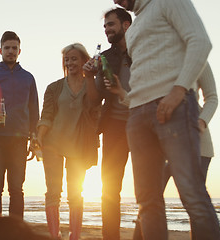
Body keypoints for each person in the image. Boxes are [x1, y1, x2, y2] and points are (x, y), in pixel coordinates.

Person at [112, 0, 220, 239]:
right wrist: (124, 95)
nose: (115, 1)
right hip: (138, 115)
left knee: (191, 192)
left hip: (175, 109)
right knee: (147, 201)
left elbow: (201, 41)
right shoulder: (136, 26)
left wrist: (179, 90)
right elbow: (147, 75)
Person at [130, 63, 219, 240]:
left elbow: (212, 98)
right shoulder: (158, 55)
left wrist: (199, 123)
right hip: (160, 140)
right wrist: (121, 94)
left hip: (197, 143)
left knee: (194, 202)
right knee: (149, 199)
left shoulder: (196, 56)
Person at [37, 43, 100, 240]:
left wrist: (90, 78)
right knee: (53, 191)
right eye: (67, 59)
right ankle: (55, 235)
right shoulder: (54, 87)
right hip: (53, 144)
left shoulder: (92, 85)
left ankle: (74, 236)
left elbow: (94, 107)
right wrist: (39, 136)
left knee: (75, 193)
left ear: (84, 60)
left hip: (79, 146)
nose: (70, 62)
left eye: (74, 59)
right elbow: (46, 115)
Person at [0, 31, 39, 219]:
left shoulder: (28, 78)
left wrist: (35, 139)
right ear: (0, 50)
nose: (11, 51)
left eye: (14, 48)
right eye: (7, 48)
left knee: (17, 188)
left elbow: (34, 111)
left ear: (20, 51)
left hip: (19, 139)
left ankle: (15, 232)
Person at [82, 8, 132, 240]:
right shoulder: (106, 58)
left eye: (111, 25)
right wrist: (89, 77)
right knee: (110, 190)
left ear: (126, 25)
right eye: (105, 26)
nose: (107, 30)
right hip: (113, 127)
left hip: (143, 123)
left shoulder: (143, 51)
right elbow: (95, 98)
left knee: (149, 188)